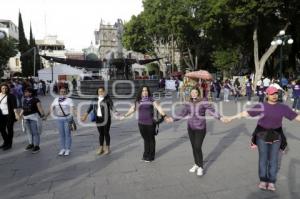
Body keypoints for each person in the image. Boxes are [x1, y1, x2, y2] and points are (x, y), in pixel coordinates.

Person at [227, 86, 300, 191]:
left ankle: (271, 181)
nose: (274, 95)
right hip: (262, 135)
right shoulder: (261, 106)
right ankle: (263, 180)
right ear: (267, 95)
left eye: (276, 93)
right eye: (271, 93)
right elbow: (245, 113)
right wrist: (231, 118)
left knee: (274, 159)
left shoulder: (283, 107)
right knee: (263, 159)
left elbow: (296, 117)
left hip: (276, 136)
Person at [167, 87, 227, 176]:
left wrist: (220, 117)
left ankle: (200, 167)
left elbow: (211, 110)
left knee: (198, 147)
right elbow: (182, 113)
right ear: (190, 93)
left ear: (198, 93)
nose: (193, 94)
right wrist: (173, 119)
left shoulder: (203, 101)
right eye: (192, 92)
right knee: (194, 147)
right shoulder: (188, 103)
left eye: (195, 92)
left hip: (200, 128)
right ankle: (196, 164)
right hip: (190, 128)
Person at [120, 86, 169, 162]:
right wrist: (124, 116)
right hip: (141, 123)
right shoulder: (138, 101)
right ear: (141, 92)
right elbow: (132, 109)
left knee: (151, 139)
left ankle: (151, 156)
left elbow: (159, 107)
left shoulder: (151, 99)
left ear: (148, 91)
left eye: (146, 90)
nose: (145, 92)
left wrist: (164, 116)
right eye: (143, 91)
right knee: (145, 139)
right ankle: (145, 155)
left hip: (150, 123)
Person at [81, 87, 118, 155]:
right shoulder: (95, 99)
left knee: (106, 133)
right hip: (98, 119)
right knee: (101, 134)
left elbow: (112, 106)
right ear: (97, 92)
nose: (100, 93)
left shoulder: (107, 99)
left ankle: (107, 148)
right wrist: (85, 116)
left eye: (102, 91)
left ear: (104, 92)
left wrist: (115, 112)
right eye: (99, 91)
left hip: (106, 118)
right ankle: (101, 148)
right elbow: (90, 108)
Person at [45, 87, 76, 156]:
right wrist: (46, 116)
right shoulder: (56, 100)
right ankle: (62, 148)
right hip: (59, 119)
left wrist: (79, 116)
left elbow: (73, 109)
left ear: (66, 92)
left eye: (64, 92)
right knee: (61, 135)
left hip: (67, 119)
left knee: (67, 134)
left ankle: (67, 149)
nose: (63, 93)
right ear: (59, 92)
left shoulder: (69, 100)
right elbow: (51, 109)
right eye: (61, 91)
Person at [19, 87, 46, 153]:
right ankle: (31, 144)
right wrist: (19, 115)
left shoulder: (36, 100)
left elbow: (40, 108)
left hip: (33, 118)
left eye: (26, 92)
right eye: (25, 92)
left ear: (30, 93)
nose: (25, 93)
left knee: (35, 132)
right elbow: (23, 108)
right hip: (26, 118)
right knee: (29, 132)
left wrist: (43, 115)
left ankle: (37, 146)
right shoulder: (25, 100)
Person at [0, 83, 19, 150]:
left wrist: (16, 114)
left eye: (6, 88)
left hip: (9, 115)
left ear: (8, 89)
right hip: (1, 115)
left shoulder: (11, 96)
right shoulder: (0, 95)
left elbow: (14, 106)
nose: (4, 89)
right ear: (1, 89)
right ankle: (6, 142)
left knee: (9, 129)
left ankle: (9, 144)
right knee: (2, 129)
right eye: (3, 88)